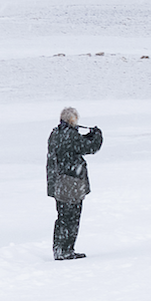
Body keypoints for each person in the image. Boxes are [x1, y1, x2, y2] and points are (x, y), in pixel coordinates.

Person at [47, 106, 102, 259]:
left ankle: (59, 249)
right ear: (72, 120)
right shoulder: (70, 136)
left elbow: (76, 145)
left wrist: (87, 136)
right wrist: (97, 136)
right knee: (72, 218)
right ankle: (67, 250)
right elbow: (89, 147)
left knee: (62, 217)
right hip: (70, 182)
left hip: (58, 182)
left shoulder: (55, 134)